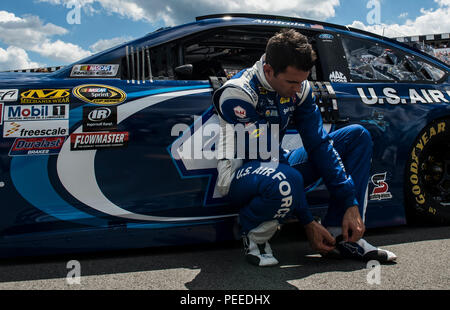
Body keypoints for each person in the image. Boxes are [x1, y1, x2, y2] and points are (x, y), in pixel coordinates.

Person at [212, 29, 397, 267]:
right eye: (292, 82)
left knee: (356, 136)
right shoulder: (238, 93)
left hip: (278, 164)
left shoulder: (300, 88)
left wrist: (350, 203)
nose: (298, 89)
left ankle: (341, 235)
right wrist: (308, 222)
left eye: (302, 81)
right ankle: (253, 233)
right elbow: (265, 154)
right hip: (239, 175)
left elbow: (319, 144)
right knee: (286, 178)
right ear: (268, 70)